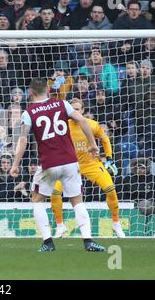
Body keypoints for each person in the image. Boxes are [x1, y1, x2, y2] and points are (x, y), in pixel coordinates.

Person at [10, 78, 105, 252]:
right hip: (70, 161)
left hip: (49, 164)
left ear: (30, 93)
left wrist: (15, 164)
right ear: (47, 90)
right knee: (77, 200)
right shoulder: (62, 104)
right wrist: (92, 144)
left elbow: (23, 139)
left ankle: (48, 242)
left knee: (38, 200)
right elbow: (83, 121)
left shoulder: (29, 112)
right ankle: (88, 241)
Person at [51, 98, 125, 238]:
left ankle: (116, 223)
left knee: (110, 189)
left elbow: (105, 139)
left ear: (83, 111)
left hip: (91, 164)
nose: (74, 112)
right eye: (72, 109)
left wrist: (109, 157)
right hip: (69, 165)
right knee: (54, 192)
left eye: (77, 109)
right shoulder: (62, 126)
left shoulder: (91, 124)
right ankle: (60, 225)